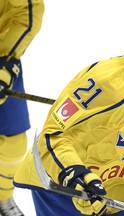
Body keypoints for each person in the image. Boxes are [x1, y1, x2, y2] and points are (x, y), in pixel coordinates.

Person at [14, 3, 124, 216]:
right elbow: (52, 138)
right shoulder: (104, 83)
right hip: (63, 187)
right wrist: (75, 176)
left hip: (118, 188)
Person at [0, 0, 44, 215]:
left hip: (1, 61)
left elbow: (28, 11)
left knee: (14, 146)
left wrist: (6, 60)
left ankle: (3, 197)